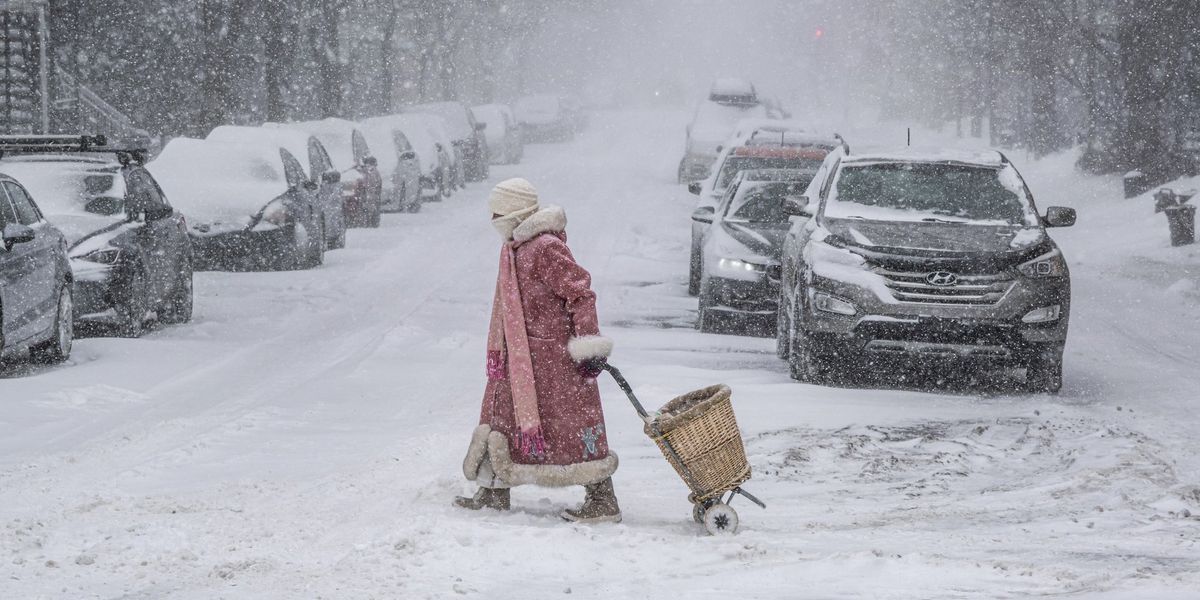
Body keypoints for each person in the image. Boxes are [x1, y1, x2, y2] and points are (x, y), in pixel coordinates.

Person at [455, 177, 620, 523]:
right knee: (501, 417)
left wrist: (588, 345)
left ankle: (602, 499)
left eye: (498, 212)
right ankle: (493, 489)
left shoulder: (545, 247)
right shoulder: (514, 247)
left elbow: (581, 294)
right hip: (518, 358)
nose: (493, 219)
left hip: (554, 362)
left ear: (515, 211)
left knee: (572, 424)